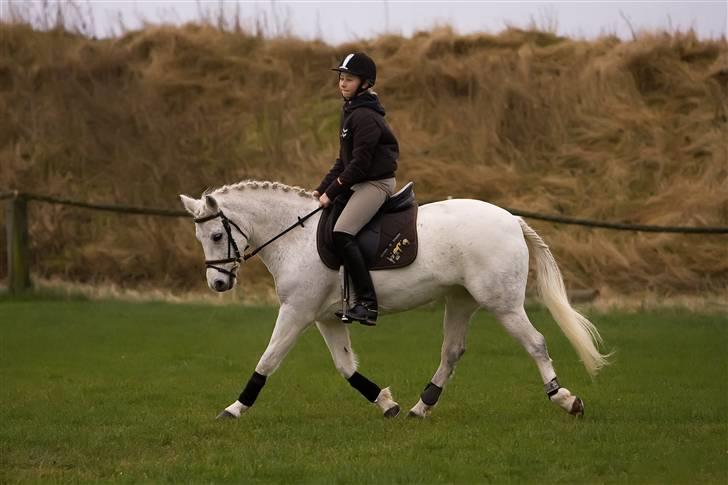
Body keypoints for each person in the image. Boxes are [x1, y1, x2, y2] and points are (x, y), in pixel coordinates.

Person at [313, 52, 399, 326]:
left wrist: (333, 192)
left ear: (365, 83)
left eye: (349, 79)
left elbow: (360, 166)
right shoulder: (350, 112)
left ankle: (367, 303)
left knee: (342, 232)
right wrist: (319, 190)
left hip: (375, 183)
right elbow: (343, 161)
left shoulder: (364, 117)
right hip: (360, 181)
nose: (342, 83)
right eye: (341, 77)